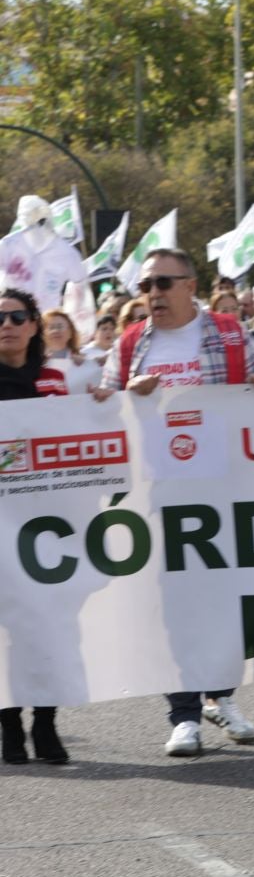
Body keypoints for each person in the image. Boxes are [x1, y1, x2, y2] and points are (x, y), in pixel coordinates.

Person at [97, 249, 254, 756]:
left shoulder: (229, 330)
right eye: (146, 285)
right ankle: (182, 715)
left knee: (225, 602)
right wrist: (126, 396)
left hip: (226, 488)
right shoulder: (132, 342)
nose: (153, 293)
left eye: (163, 282)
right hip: (162, 493)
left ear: (189, 285)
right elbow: (103, 406)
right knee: (176, 602)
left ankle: (220, 696)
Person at [0, 289, 71, 764]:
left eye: (17, 316)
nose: (7, 323)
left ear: (33, 326)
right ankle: (10, 729)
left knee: (49, 627)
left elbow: (72, 436)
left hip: (45, 524)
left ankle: (46, 724)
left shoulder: (53, 380)